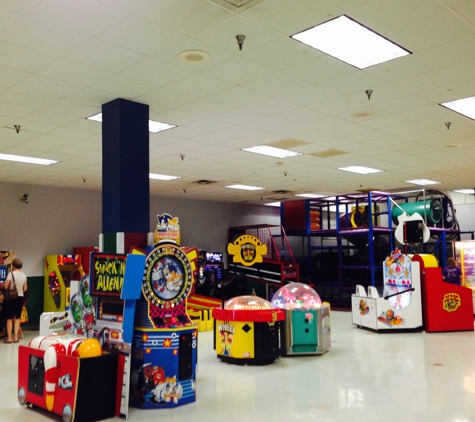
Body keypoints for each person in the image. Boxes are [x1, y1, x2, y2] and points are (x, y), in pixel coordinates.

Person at [3, 258, 27, 343]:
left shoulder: (10, 274)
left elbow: (6, 287)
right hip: (20, 297)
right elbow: (25, 288)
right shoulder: (23, 275)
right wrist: (19, 291)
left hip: (10, 298)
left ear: (13, 266)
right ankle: (16, 337)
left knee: (9, 318)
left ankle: (9, 338)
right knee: (17, 318)